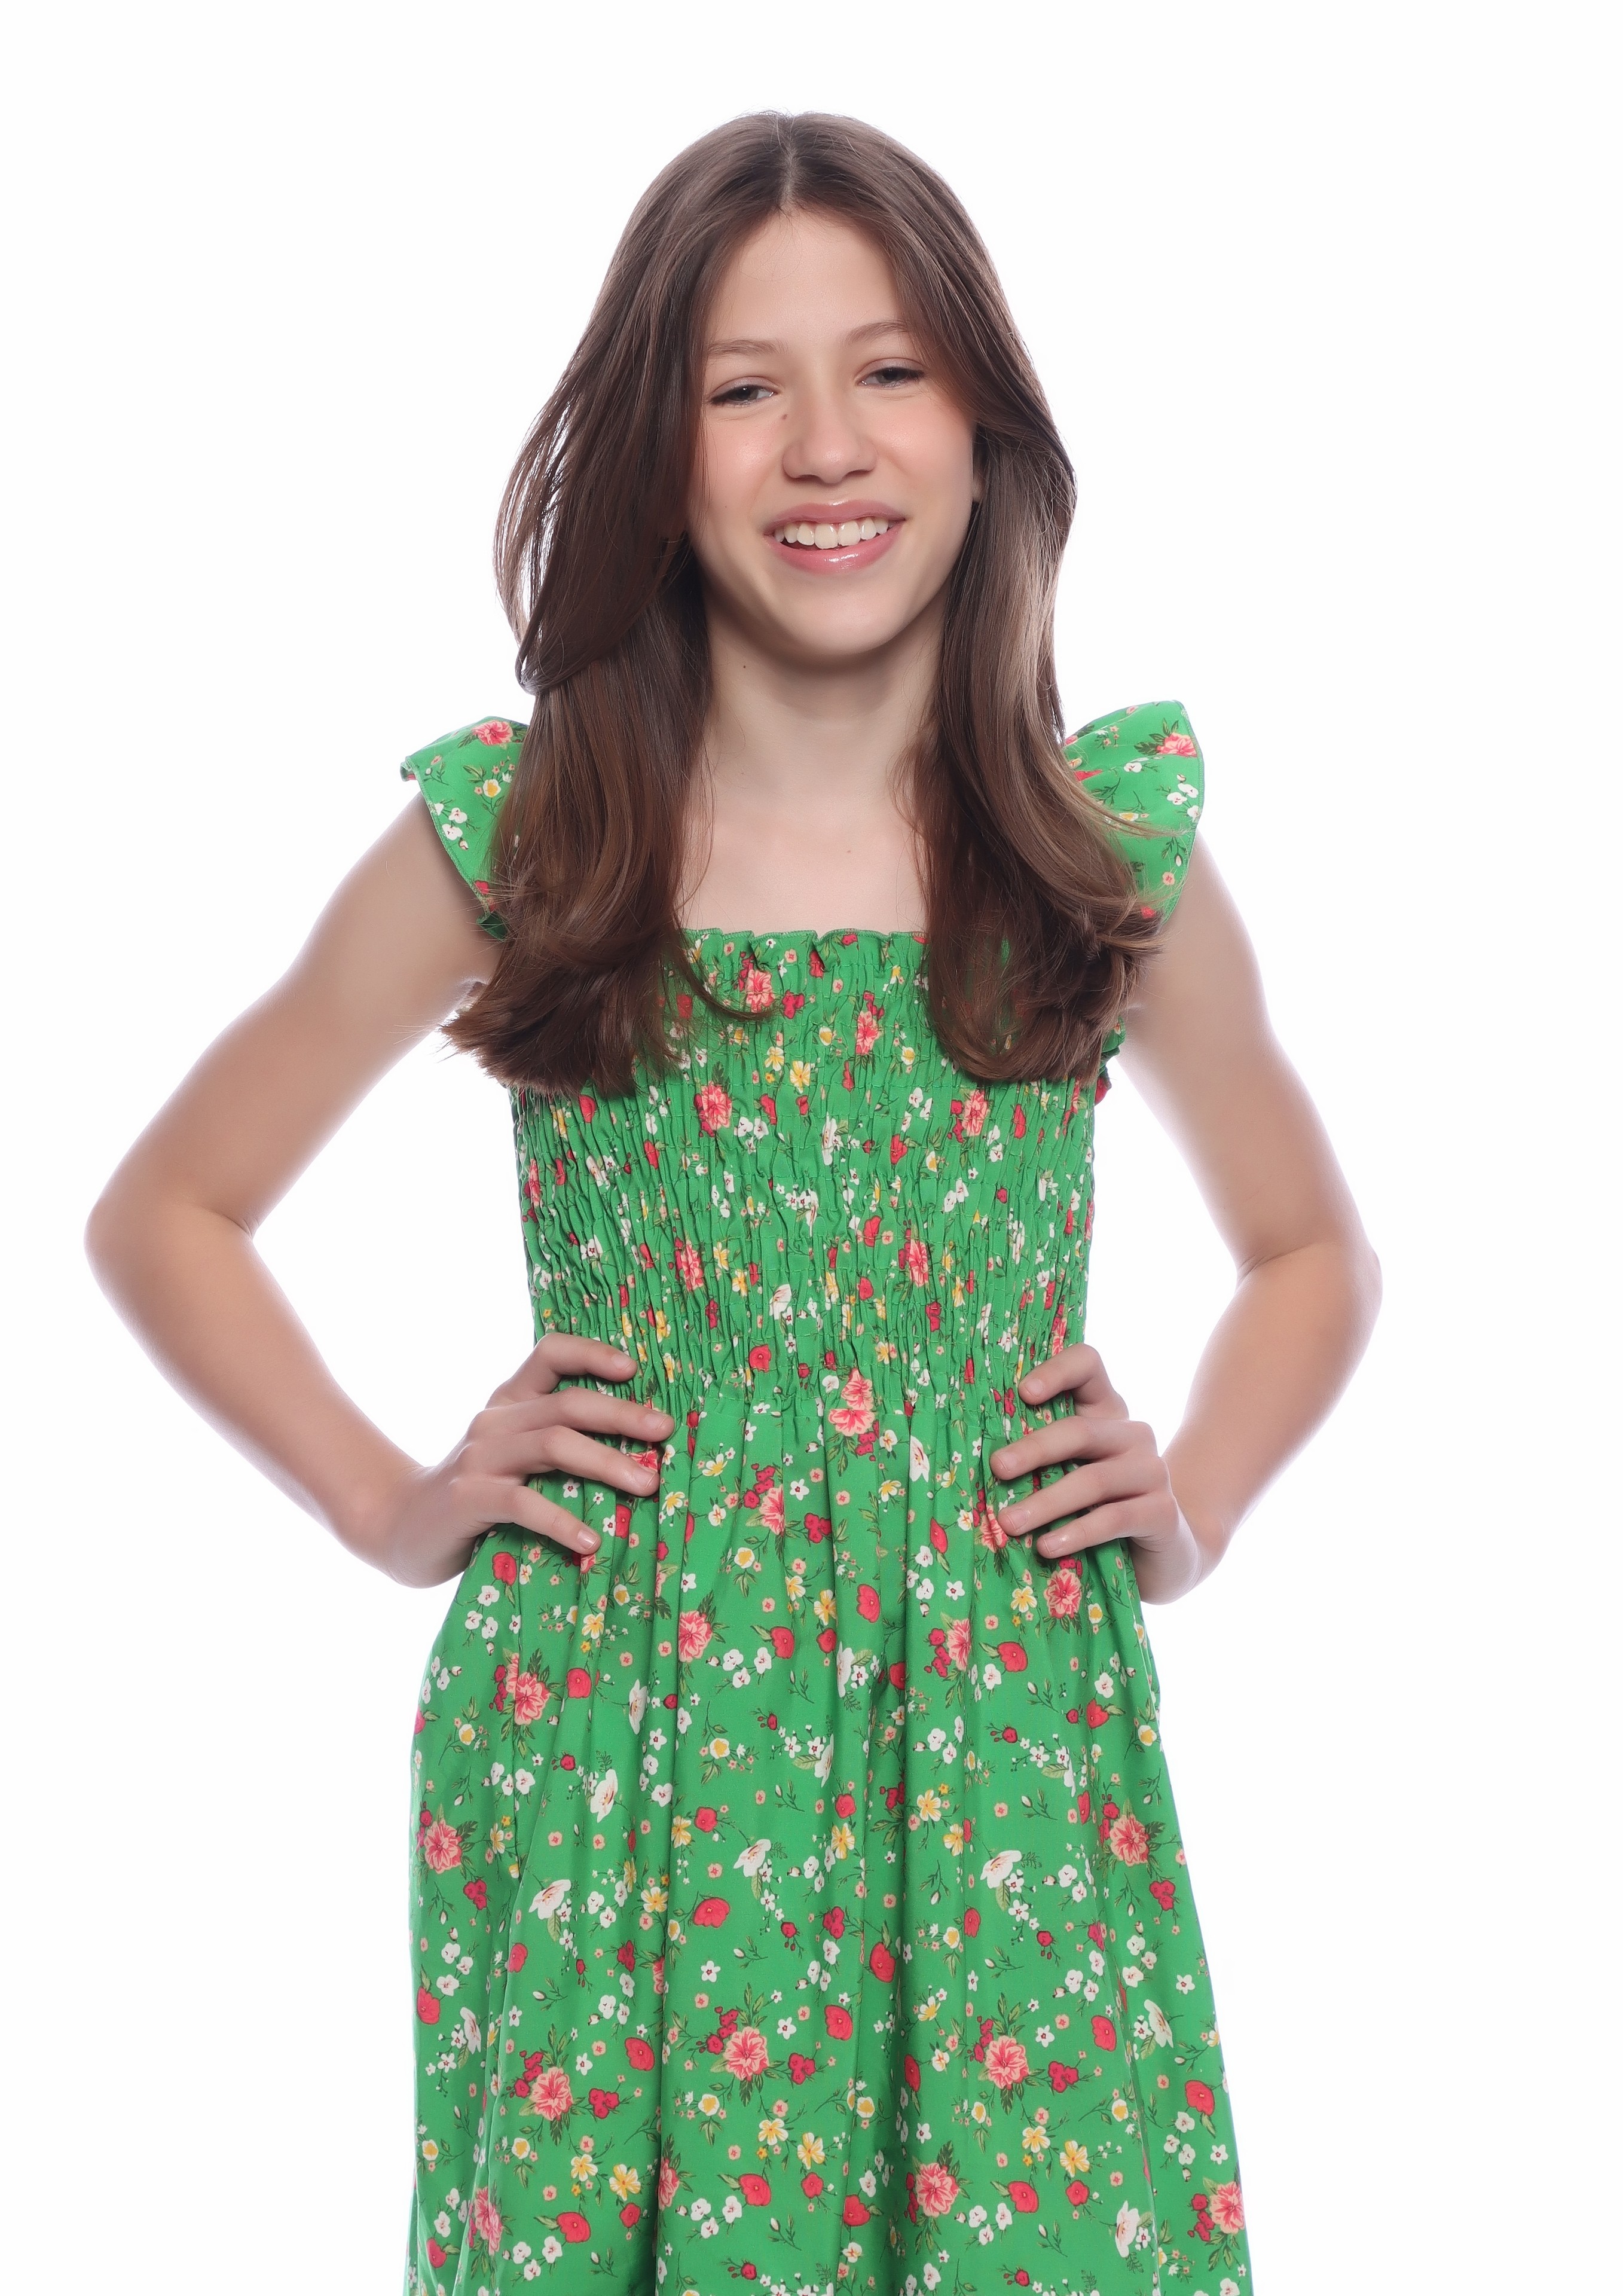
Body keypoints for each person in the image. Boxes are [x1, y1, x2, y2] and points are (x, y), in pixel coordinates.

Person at [87, 111, 1379, 2296]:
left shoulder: (1090, 859)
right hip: (616, 1747)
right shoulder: (534, 841)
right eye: (741, 386)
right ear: (653, 456)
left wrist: (1196, 1506)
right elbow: (171, 1208)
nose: (823, 446)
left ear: (984, 427)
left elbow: (1308, 1249)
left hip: (997, 1734)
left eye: (887, 370)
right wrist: (390, 1505)